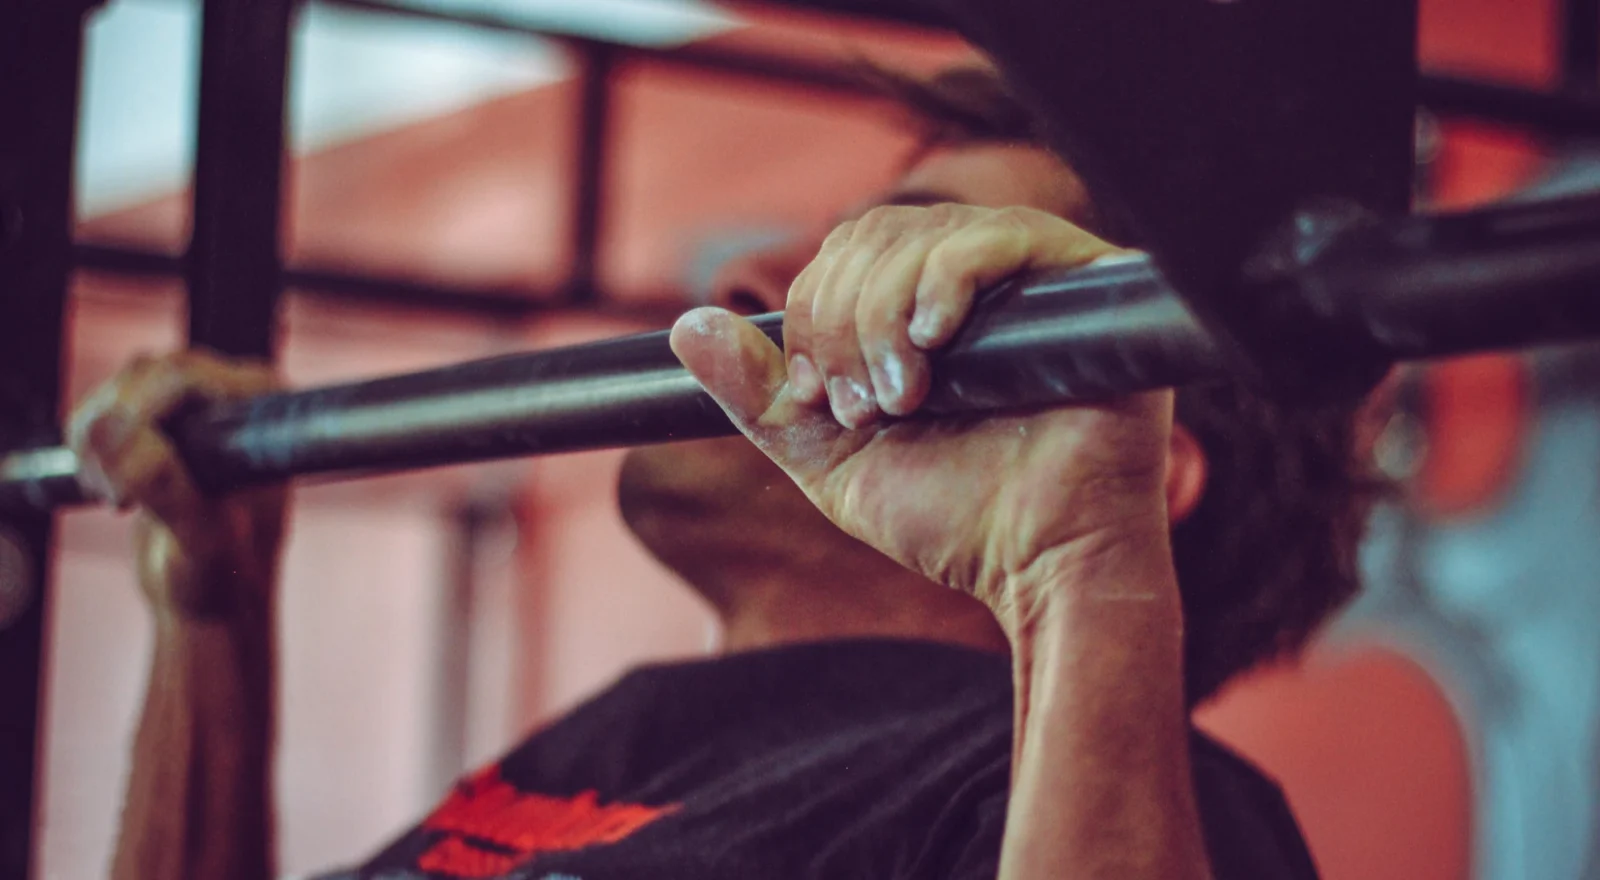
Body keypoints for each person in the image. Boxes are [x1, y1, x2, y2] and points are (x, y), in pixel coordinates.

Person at [69, 66, 1379, 880]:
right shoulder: (631, 739)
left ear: (1146, 469)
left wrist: (1084, 579)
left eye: (901, 269)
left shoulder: (1138, 808)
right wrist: (216, 627)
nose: (759, 284)